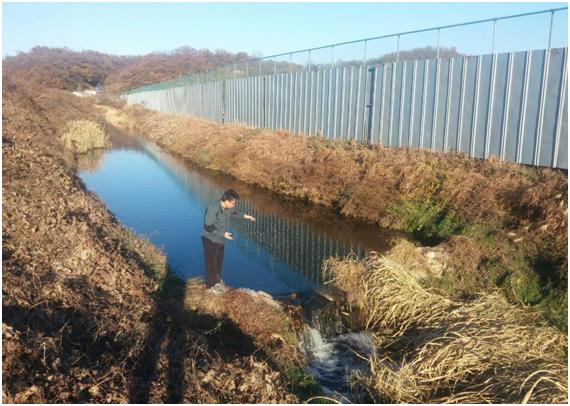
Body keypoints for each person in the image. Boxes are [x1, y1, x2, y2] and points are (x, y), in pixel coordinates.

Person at [201, 189, 256, 293]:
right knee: (211, 263)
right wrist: (223, 234)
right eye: (233, 203)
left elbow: (233, 214)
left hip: (220, 239)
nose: (234, 205)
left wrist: (246, 216)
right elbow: (208, 226)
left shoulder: (226, 208)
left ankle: (217, 282)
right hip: (210, 238)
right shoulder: (213, 208)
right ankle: (210, 287)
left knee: (218, 262)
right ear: (226, 200)